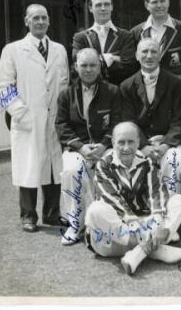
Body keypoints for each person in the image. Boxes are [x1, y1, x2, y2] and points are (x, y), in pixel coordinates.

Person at [0, 4, 69, 232]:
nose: (40, 22)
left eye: (44, 18)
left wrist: (63, 114)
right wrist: (22, 114)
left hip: (54, 118)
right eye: (35, 18)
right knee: (28, 167)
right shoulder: (13, 50)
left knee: (53, 167)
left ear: (49, 21)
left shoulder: (59, 50)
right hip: (28, 119)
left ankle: (52, 214)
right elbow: (4, 88)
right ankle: (28, 215)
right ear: (26, 21)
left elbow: (65, 85)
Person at [84, 122, 181, 276]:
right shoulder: (103, 165)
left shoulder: (148, 163)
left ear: (139, 142)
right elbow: (112, 199)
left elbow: (156, 194)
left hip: (144, 226)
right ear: (113, 143)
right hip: (114, 238)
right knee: (95, 209)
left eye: (131, 142)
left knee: (180, 201)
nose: (126, 148)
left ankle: (139, 253)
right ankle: (154, 248)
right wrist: (136, 224)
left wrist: (157, 221)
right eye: (121, 142)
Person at [55, 48, 121, 245]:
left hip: (105, 146)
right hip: (77, 148)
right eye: (84, 65)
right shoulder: (66, 94)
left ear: (100, 67)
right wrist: (81, 147)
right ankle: (75, 224)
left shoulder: (112, 91)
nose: (88, 69)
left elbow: (117, 122)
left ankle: (105, 223)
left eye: (93, 65)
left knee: (112, 167)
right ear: (76, 67)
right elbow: (61, 125)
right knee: (71, 171)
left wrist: (103, 145)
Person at [120, 38, 181, 200]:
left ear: (161, 55)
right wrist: (143, 145)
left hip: (169, 142)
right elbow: (128, 121)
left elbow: (179, 118)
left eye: (154, 51)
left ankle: (172, 212)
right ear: (136, 55)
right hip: (140, 143)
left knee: (173, 161)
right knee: (131, 161)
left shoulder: (175, 83)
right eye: (144, 51)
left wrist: (165, 144)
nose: (149, 56)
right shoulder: (127, 86)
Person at [130, 0, 181, 82]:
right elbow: (132, 66)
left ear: (168, 2)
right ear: (146, 5)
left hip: (175, 89)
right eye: (154, 2)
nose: (159, 5)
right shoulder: (136, 32)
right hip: (147, 87)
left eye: (162, 1)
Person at [72, 0, 137, 85]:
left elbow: (129, 65)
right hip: (91, 92)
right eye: (98, 5)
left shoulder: (126, 35)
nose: (103, 8)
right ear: (90, 8)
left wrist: (94, 60)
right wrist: (114, 58)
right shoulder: (80, 37)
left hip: (118, 92)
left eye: (106, 4)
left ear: (112, 7)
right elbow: (77, 62)